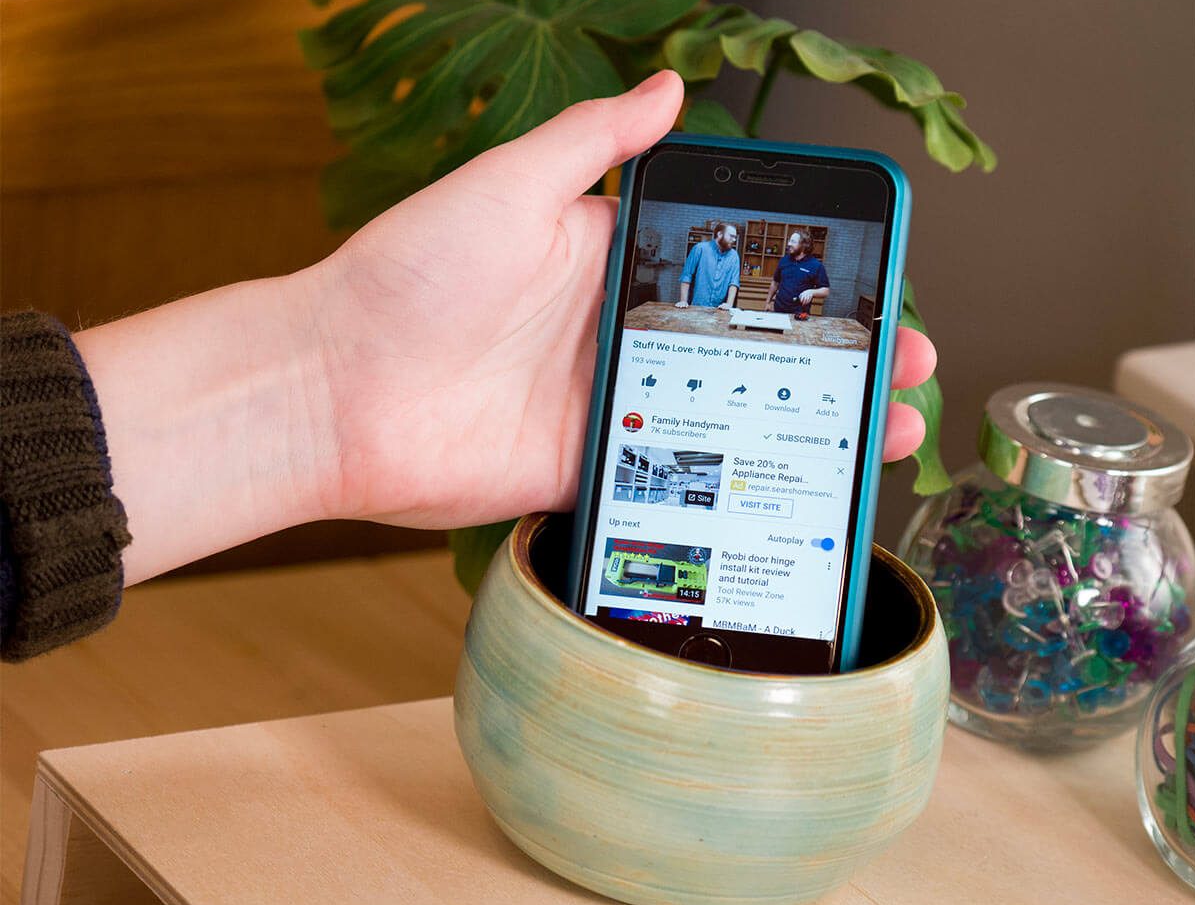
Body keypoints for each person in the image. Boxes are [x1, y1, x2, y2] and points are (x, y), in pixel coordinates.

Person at [0, 70, 936, 660]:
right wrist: (322, 384)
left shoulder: (769, 264)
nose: (728, 232)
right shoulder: (711, 250)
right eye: (724, 229)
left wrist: (320, 392)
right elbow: (697, 276)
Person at [767, 228, 831, 314]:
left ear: (804, 245)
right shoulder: (784, 260)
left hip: (799, 313)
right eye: (789, 240)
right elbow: (775, 282)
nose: (789, 244)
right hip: (778, 310)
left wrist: (811, 292)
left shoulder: (816, 265)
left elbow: (825, 291)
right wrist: (768, 302)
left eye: (793, 241)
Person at [677, 223, 740, 309]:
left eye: (735, 237)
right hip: (697, 306)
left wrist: (729, 304)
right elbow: (687, 276)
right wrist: (683, 301)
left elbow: (733, 282)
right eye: (731, 236)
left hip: (720, 309)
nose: (734, 240)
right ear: (720, 234)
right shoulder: (700, 249)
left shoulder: (734, 255)